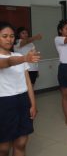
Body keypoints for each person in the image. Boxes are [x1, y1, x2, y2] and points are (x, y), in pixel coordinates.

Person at [0, 22, 38, 156]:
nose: (9, 39)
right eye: (4, 36)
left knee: (21, 142)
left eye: (11, 36)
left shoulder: (19, 57)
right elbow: (7, 62)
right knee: (3, 147)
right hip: (4, 103)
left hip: (23, 101)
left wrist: (33, 104)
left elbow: (27, 82)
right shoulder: (18, 58)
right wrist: (24, 58)